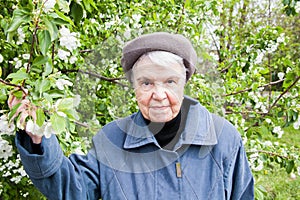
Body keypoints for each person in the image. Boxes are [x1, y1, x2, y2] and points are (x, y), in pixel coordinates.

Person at [15, 32, 254, 200]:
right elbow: (72, 190)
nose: (159, 95)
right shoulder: (113, 139)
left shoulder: (222, 138)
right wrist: (38, 139)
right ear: (134, 87)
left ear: (184, 83)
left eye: (170, 82)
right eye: (146, 83)